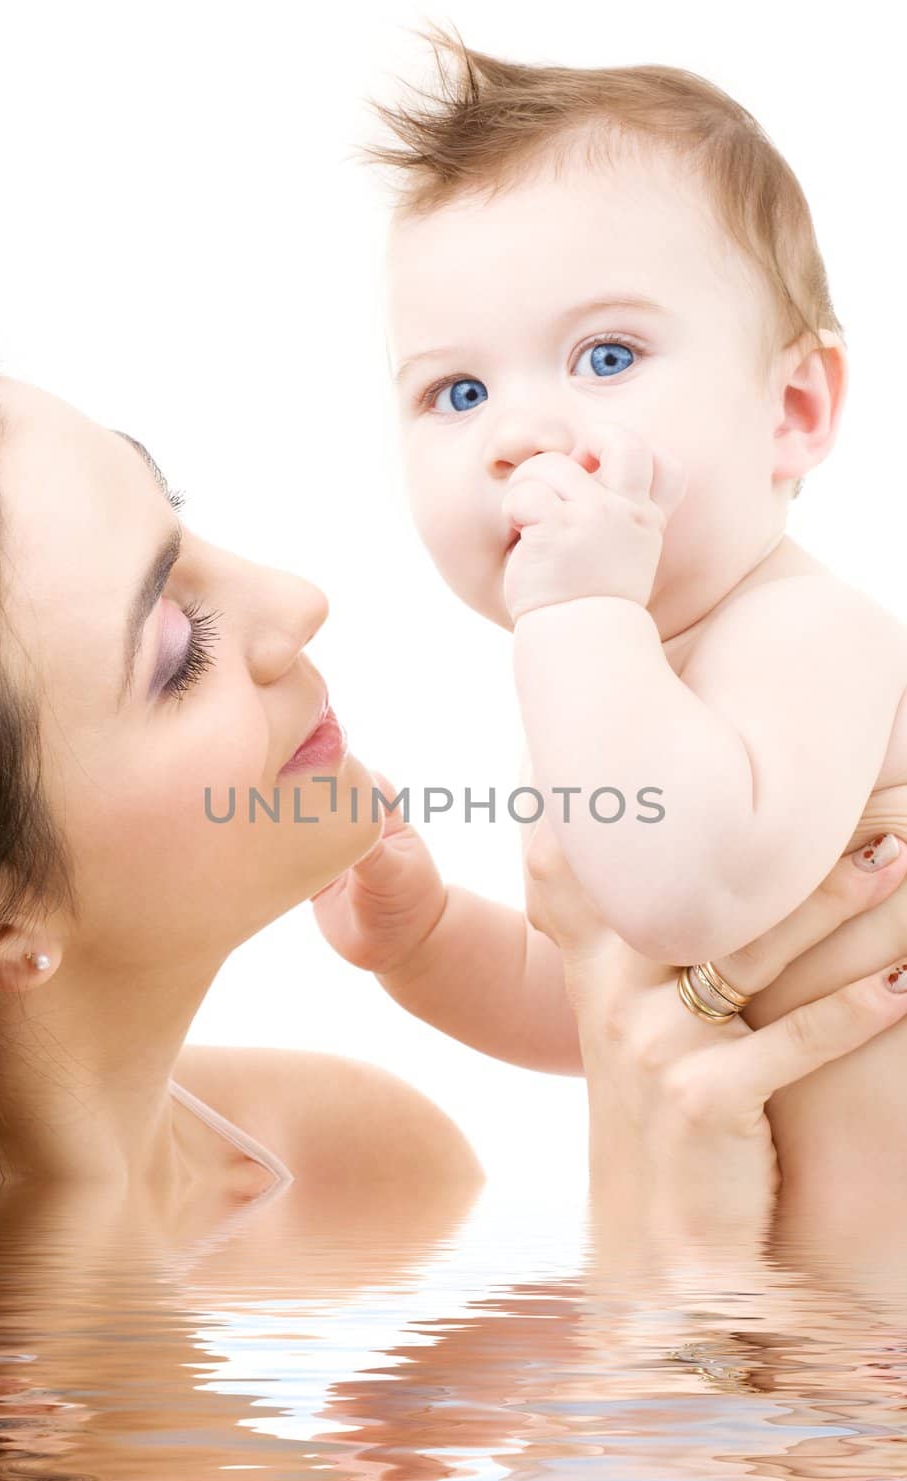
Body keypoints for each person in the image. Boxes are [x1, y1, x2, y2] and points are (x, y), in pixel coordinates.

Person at [0, 346, 906, 1256]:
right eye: (176, 646)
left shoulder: (360, 1168)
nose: (298, 600)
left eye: (177, 511)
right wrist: (676, 1238)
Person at [313, 29, 907, 1210]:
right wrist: (426, 942)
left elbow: (688, 896)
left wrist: (579, 612)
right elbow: (607, 1007)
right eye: (458, 391)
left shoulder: (808, 633)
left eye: (605, 354)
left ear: (790, 408)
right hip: (752, 1346)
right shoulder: (600, 676)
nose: (519, 434)